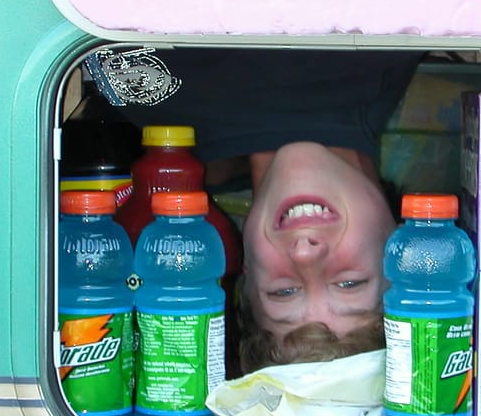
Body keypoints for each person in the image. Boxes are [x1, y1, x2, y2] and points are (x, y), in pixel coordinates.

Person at [88, 46, 421, 375]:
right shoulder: (403, 40)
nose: (305, 253)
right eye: (350, 283)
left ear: (244, 268)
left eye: (283, 292)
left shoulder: (147, 104)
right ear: (401, 246)